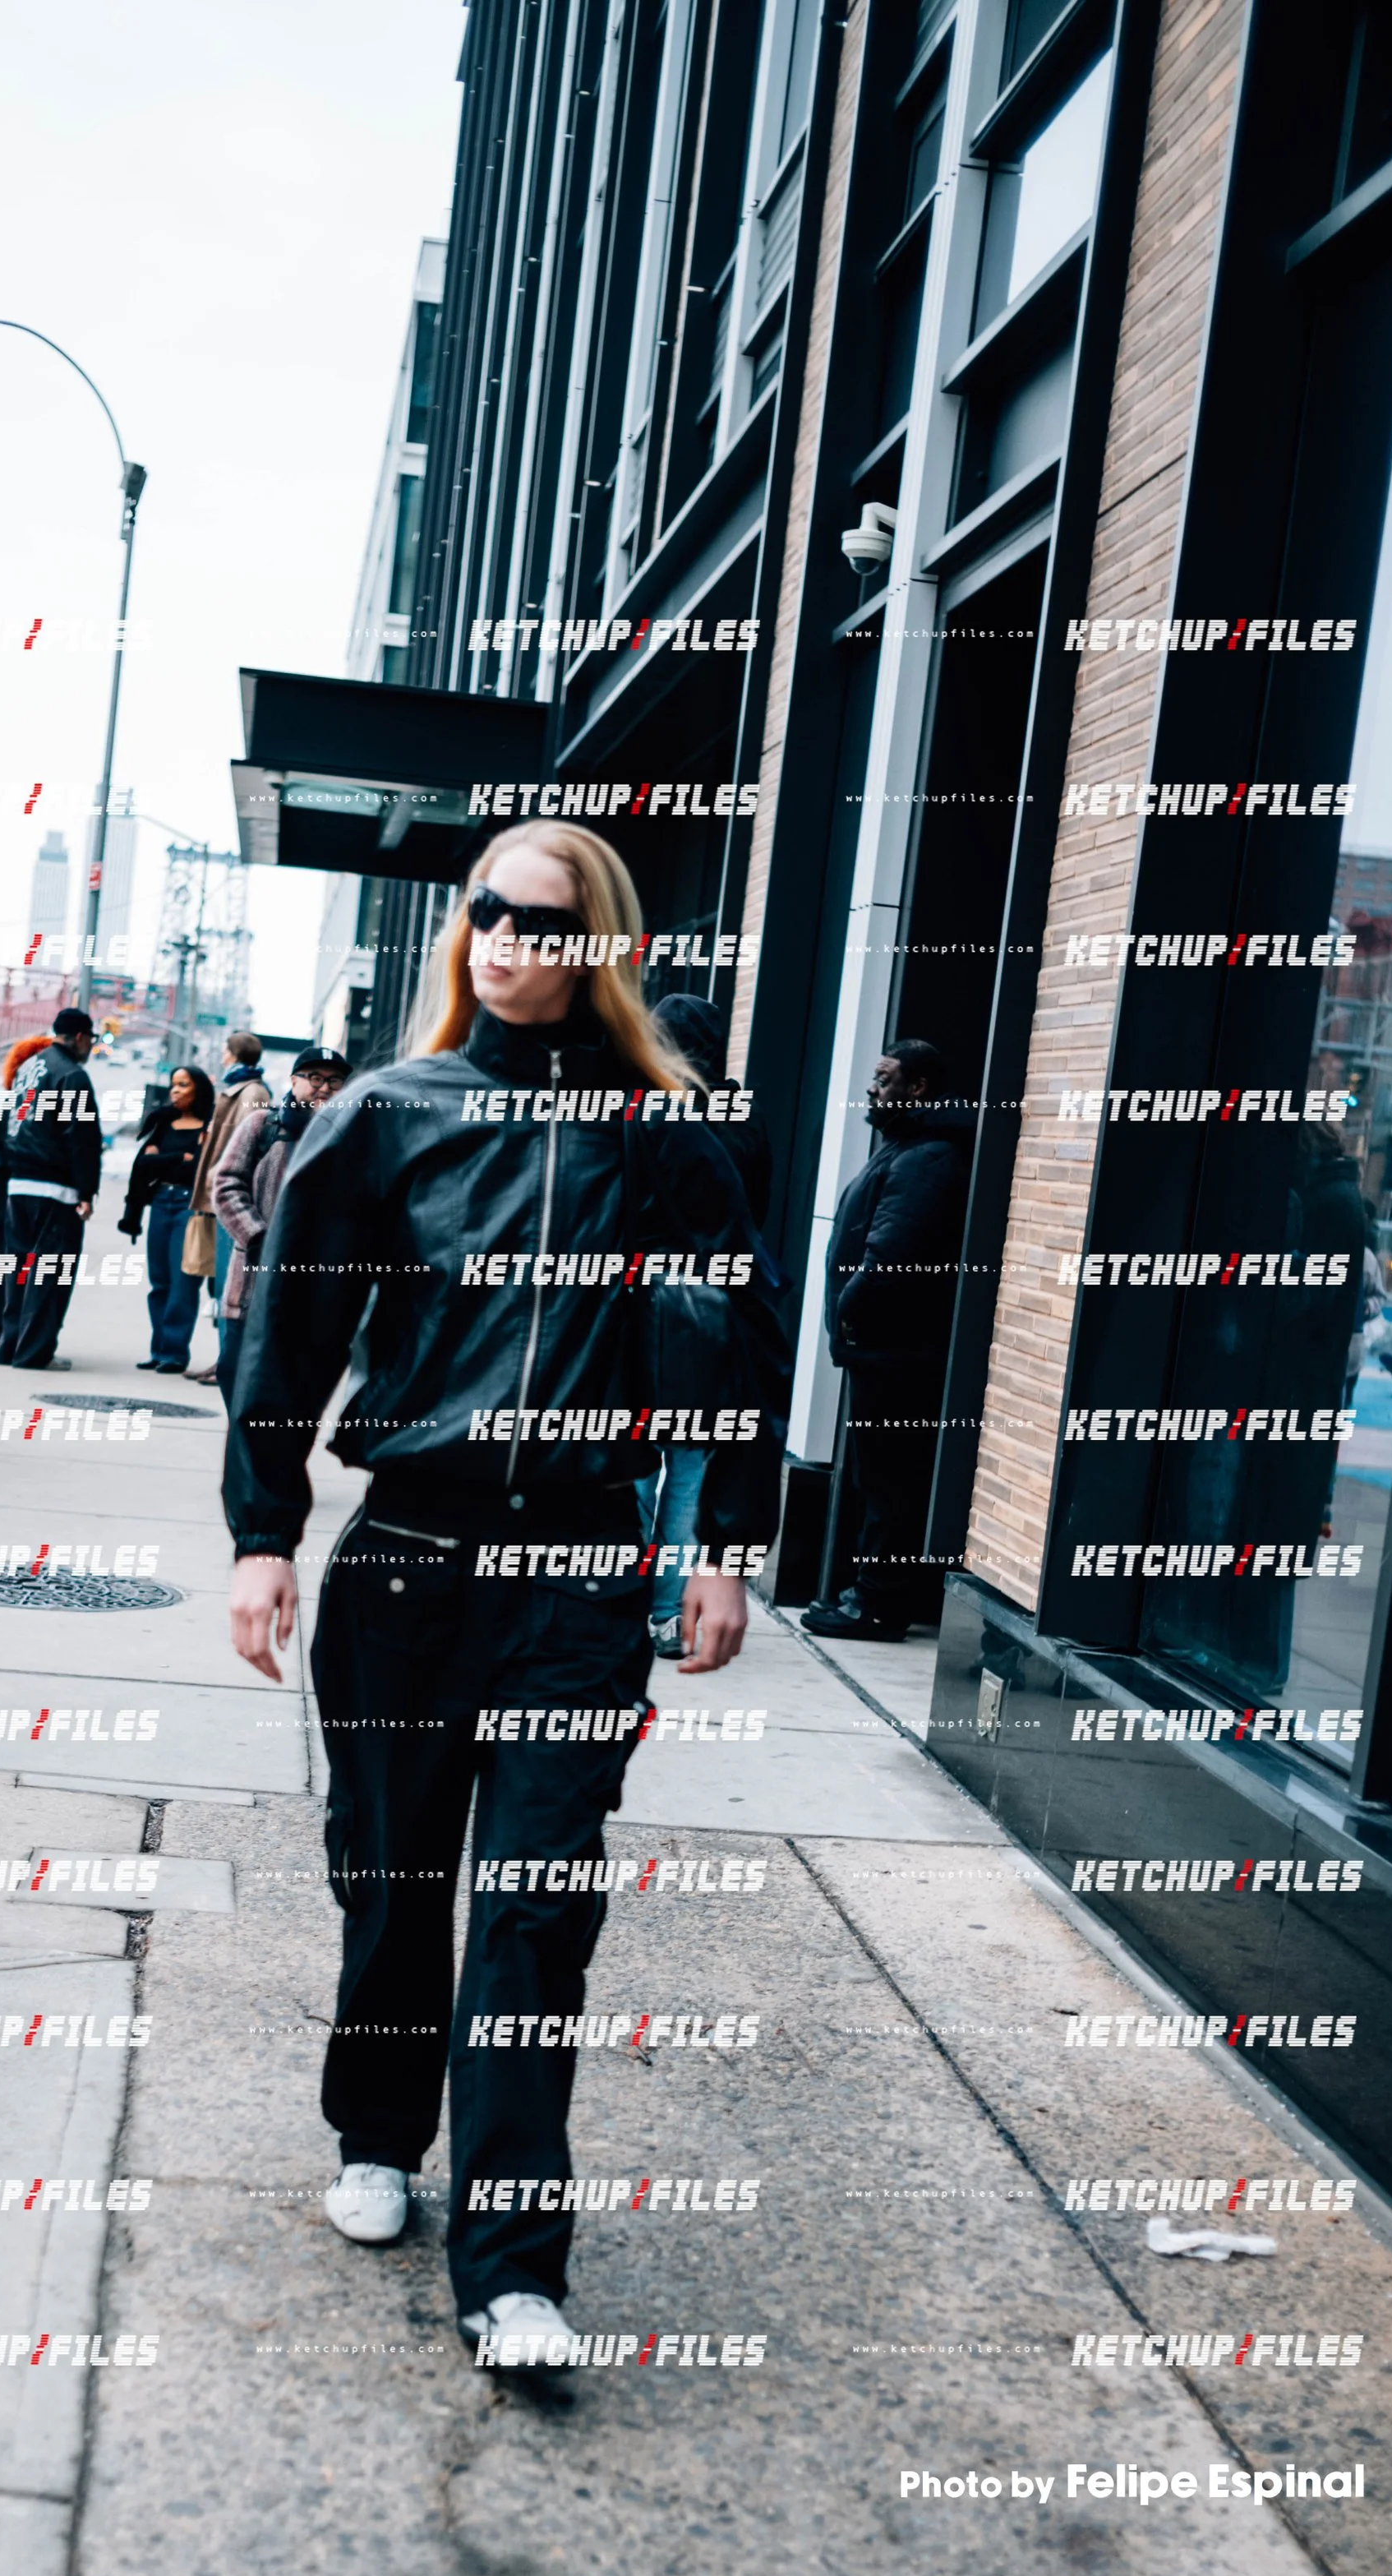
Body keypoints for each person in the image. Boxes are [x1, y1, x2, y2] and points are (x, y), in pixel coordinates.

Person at [225, 820, 788, 2368]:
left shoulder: (667, 1132)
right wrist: (263, 1531)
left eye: (544, 921)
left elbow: (739, 1354)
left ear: (598, 947)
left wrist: (725, 1542)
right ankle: (375, 2134)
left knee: (537, 1907)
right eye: (487, 913)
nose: (509, 940)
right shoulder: (390, 1118)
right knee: (396, 1880)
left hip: (582, 1572)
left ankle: (516, 2268)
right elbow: (288, 1339)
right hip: (410, 1553)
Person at [802, 1038, 975, 1641]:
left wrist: (849, 1316)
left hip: (895, 1356)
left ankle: (878, 1607)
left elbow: (891, 1256)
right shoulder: (908, 1147)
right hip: (882, 1352)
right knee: (879, 1481)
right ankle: (872, 1596)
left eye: (885, 1077)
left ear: (919, 1087)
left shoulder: (927, 1157)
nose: (873, 1088)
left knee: (889, 1484)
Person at [642, 993, 774, 1655]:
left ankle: (621, 1602)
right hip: (712, 1318)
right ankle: (670, 1614)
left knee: (631, 1468)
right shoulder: (742, 1121)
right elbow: (754, 1221)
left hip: (641, 1312)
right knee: (690, 1470)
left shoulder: (643, 1114)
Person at [210, 1044, 350, 1398]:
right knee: (236, 1377)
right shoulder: (263, 1124)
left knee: (290, 1389)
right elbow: (226, 1184)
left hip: (316, 1290)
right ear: (293, 1080)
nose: (324, 1088)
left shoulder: (353, 1134)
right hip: (254, 1284)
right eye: (315, 1078)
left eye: (335, 1081)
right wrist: (258, 1238)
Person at [0, 1008, 102, 1372]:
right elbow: (81, 1138)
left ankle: (9, 1345)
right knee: (50, 1274)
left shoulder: (29, 1068)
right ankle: (34, 1352)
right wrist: (86, 1192)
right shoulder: (72, 1075)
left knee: (19, 1271)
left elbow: (9, 1121)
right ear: (81, 1037)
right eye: (92, 1039)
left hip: (20, 1184)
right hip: (56, 1189)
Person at [185, 1031, 272, 1380]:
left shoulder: (253, 1092)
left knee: (230, 1287)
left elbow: (249, 1149)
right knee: (222, 1285)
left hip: (227, 1196)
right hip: (216, 1193)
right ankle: (223, 1360)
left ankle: (227, 1363)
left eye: (224, 1049)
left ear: (234, 1053)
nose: (222, 1055)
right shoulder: (240, 1087)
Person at [120, 1064, 214, 1371]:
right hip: (160, 1202)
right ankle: (158, 1350)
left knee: (183, 1283)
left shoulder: (208, 1127)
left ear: (197, 1089)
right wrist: (177, 1159)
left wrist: (162, 1161)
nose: (175, 1090)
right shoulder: (162, 1124)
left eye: (183, 1085)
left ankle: (174, 1353)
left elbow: (197, 1170)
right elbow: (144, 1167)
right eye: (174, 1084)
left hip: (189, 1207)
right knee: (159, 1281)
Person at [0, 1031, 53, 1354]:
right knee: (10, 1255)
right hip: (14, 1181)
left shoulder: (13, 1099)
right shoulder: (22, 1104)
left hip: (2, 1179)